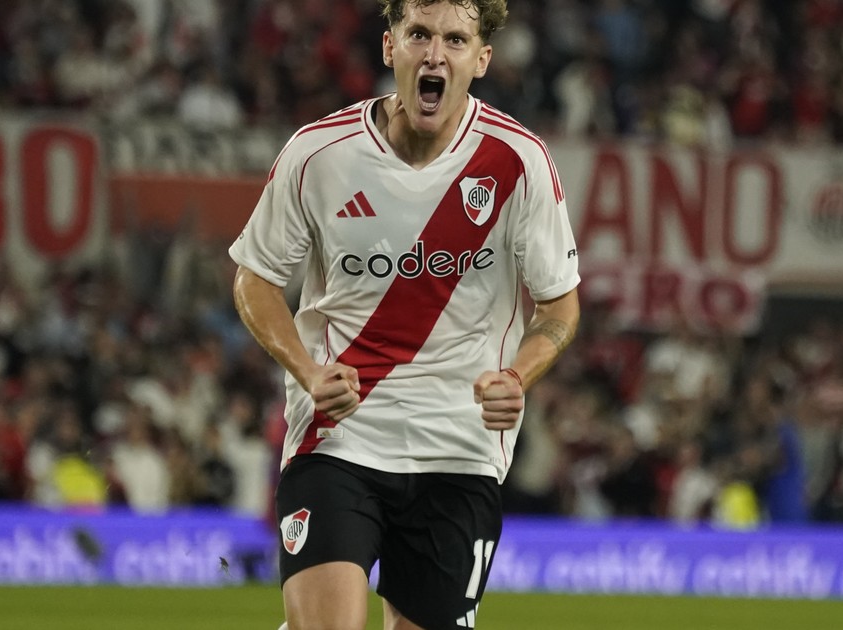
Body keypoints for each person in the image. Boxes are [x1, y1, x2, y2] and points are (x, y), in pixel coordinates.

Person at [228, 1, 581, 628]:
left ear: (482, 59)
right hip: (339, 437)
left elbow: (558, 305)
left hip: (460, 448)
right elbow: (254, 280)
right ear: (391, 47)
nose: (435, 54)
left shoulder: (518, 161)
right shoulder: (319, 154)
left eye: (455, 40)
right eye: (419, 34)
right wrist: (308, 370)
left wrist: (518, 376)